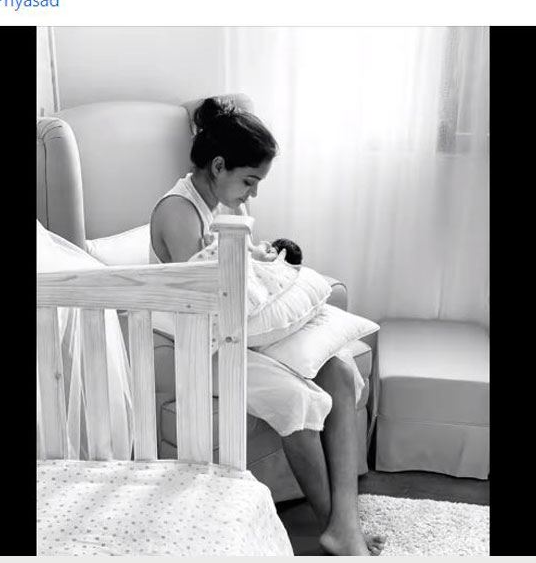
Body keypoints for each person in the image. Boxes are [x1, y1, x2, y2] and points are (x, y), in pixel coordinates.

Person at [150, 97, 385, 556]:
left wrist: (266, 261)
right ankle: (332, 524)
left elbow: (244, 278)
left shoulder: (227, 204)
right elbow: (206, 301)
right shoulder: (179, 210)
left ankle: (345, 523)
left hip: (240, 331)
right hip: (200, 344)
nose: (252, 194)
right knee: (298, 400)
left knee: (338, 371)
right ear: (219, 165)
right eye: (249, 181)